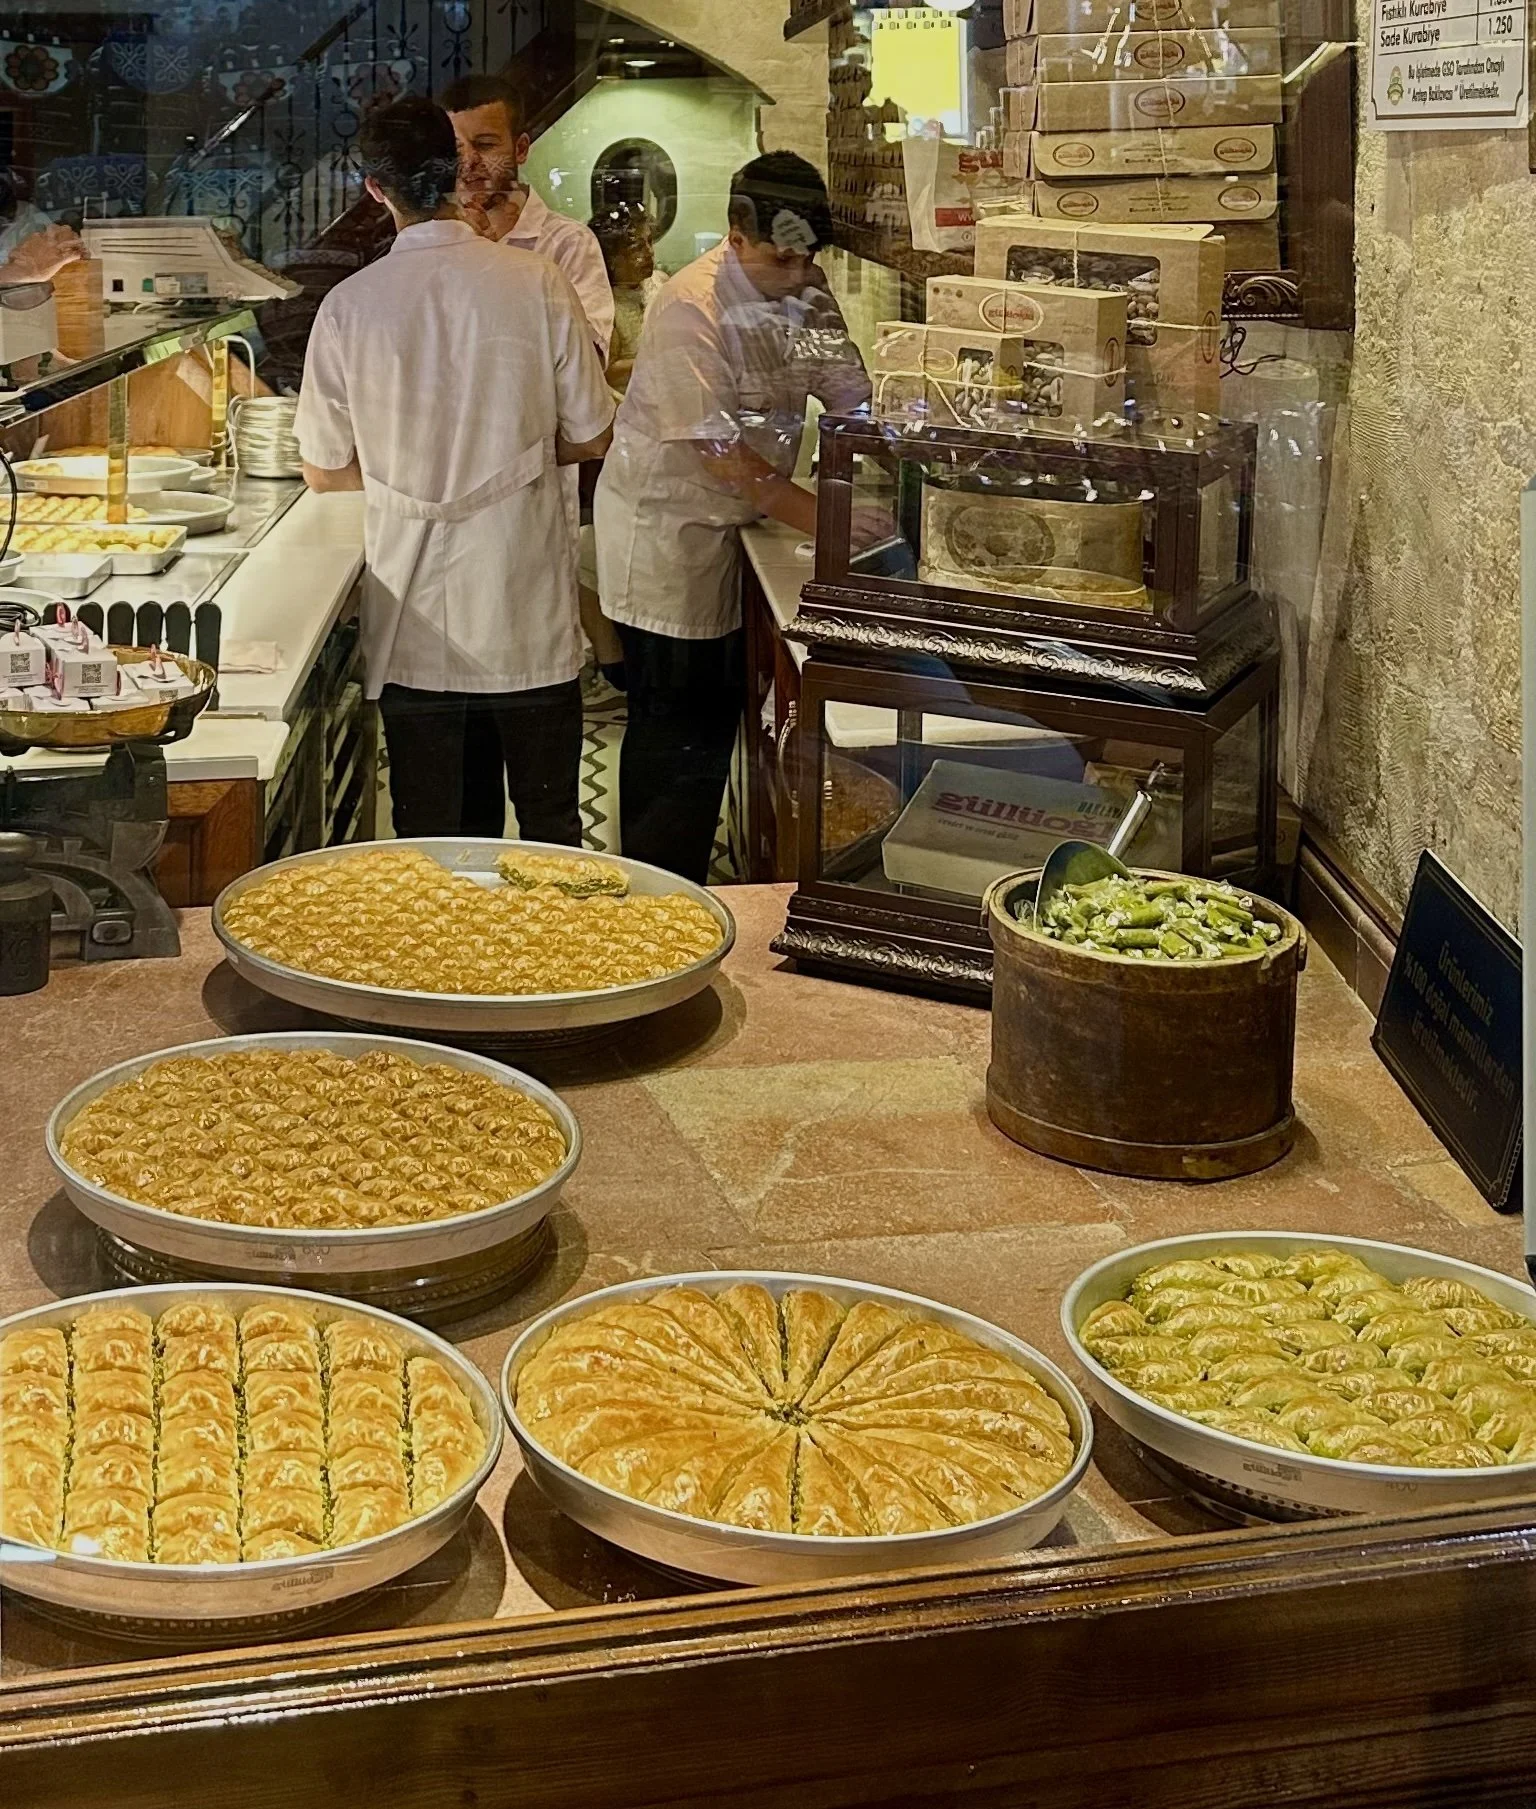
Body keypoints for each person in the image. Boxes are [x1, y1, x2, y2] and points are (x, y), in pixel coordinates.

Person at [294, 96, 614, 842]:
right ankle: (555, 958)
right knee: (550, 828)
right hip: (523, 602)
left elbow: (322, 470)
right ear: (458, 168)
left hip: (415, 615)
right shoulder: (534, 283)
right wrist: (515, 456)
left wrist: (414, 474)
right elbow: (595, 434)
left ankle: (439, 959)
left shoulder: (347, 306)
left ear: (374, 188)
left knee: (432, 833)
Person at [593, 151, 876, 884]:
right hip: (670, 536)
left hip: (745, 526)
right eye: (781, 257)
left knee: (717, 726)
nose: (798, 272)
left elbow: (850, 395)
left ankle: (694, 890)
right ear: (736, 233)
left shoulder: (808, 291)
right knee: (675, 737)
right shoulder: (693, 305)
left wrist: (887, 455)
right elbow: (721, 454)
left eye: (809, 257)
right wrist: (829, 521)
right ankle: (653, 902)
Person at [441, 72, 618, 812]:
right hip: (444, 559)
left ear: (519, 148)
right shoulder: (425, 246)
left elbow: (589, 378)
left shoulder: (565, 248)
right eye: (456, 148)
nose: (470, 163)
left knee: (547, 801)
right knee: (462, 800)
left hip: (531, 545)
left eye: (485, 144)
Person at [591, 202, 665, 399]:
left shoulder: (659, 281)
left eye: (649, 242)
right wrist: (658, 360)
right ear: (611, 259)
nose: (649, 252)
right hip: (627, 400)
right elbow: (605, 372)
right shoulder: (605, 304)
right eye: (637, 247)